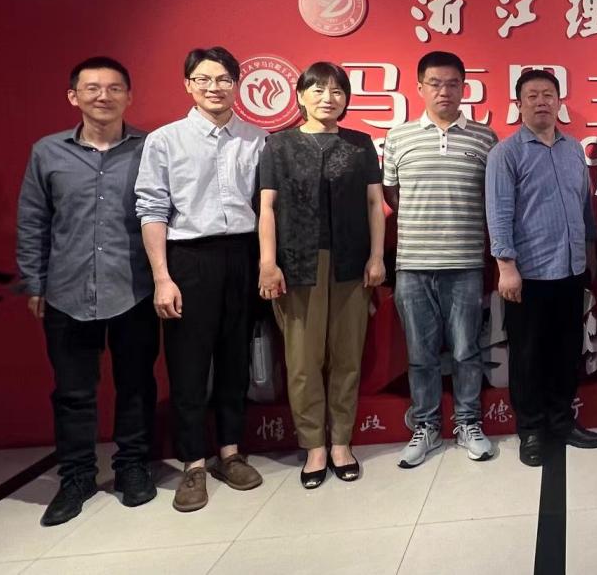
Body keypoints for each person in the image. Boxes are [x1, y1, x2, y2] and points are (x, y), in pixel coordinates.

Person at [17, 57, 158, 526]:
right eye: (92, 88)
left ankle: (133, 466)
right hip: (67, 290)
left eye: (114, 88)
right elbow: (33, 221)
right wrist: (35, 282)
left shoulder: (149, 149)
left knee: (136, 385)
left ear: (129, 96)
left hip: (134, 287)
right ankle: (76, 477)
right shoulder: (47, 152)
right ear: (73, 96)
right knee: (73, 393)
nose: (103, 96)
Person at [135, 46, 267, 512]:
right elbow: (152, 209)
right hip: (188, 258)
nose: (215, 87)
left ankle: (230, 452)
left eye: (224, 79)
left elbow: (267, 207)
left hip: (244, 255)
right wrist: (162, 277)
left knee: (236, 360)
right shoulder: (165, 140)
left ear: (237, 85)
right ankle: (193, 463)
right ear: (188, 84)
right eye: (204, 79)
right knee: (188, 366)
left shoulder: (257, 138)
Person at [257, 62, 385, 488]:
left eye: (337, 91)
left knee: (347, 357)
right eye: (318, 90)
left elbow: (374, 204)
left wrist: (377, 257)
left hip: (351, 262)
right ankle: (314, 445)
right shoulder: (278, 145)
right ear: (300, 96)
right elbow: (267, 208)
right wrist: (268, 262)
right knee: (302, 359)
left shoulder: (360, 144)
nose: (328, 98)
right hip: (297, 264)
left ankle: (341, 443)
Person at [384, 51, 498, 470]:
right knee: (421, 355)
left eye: (452, 84)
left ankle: (468, 423)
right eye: (435, 83)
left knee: (467, 351)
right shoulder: (398, 138)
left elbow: (493, 198)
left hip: (465, 263)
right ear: (419, 87)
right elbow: (393, 195)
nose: (444, 91)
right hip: (413, 265)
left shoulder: (484, 138)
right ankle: (427, 427)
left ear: (464, 88)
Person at [486, 68, 597, 466]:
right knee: (528, 355)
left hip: (570, 269)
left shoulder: (572, 150)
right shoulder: (506, 153)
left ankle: (562, 422)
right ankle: (532, 430)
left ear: (559, 102)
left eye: (548, 95)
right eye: (532, 95)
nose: (541, 102)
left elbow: (584, 205)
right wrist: (506, 267)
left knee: (566, 351)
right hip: (529, 273)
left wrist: (589, 252)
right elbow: (499, 213)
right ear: (519, 104)